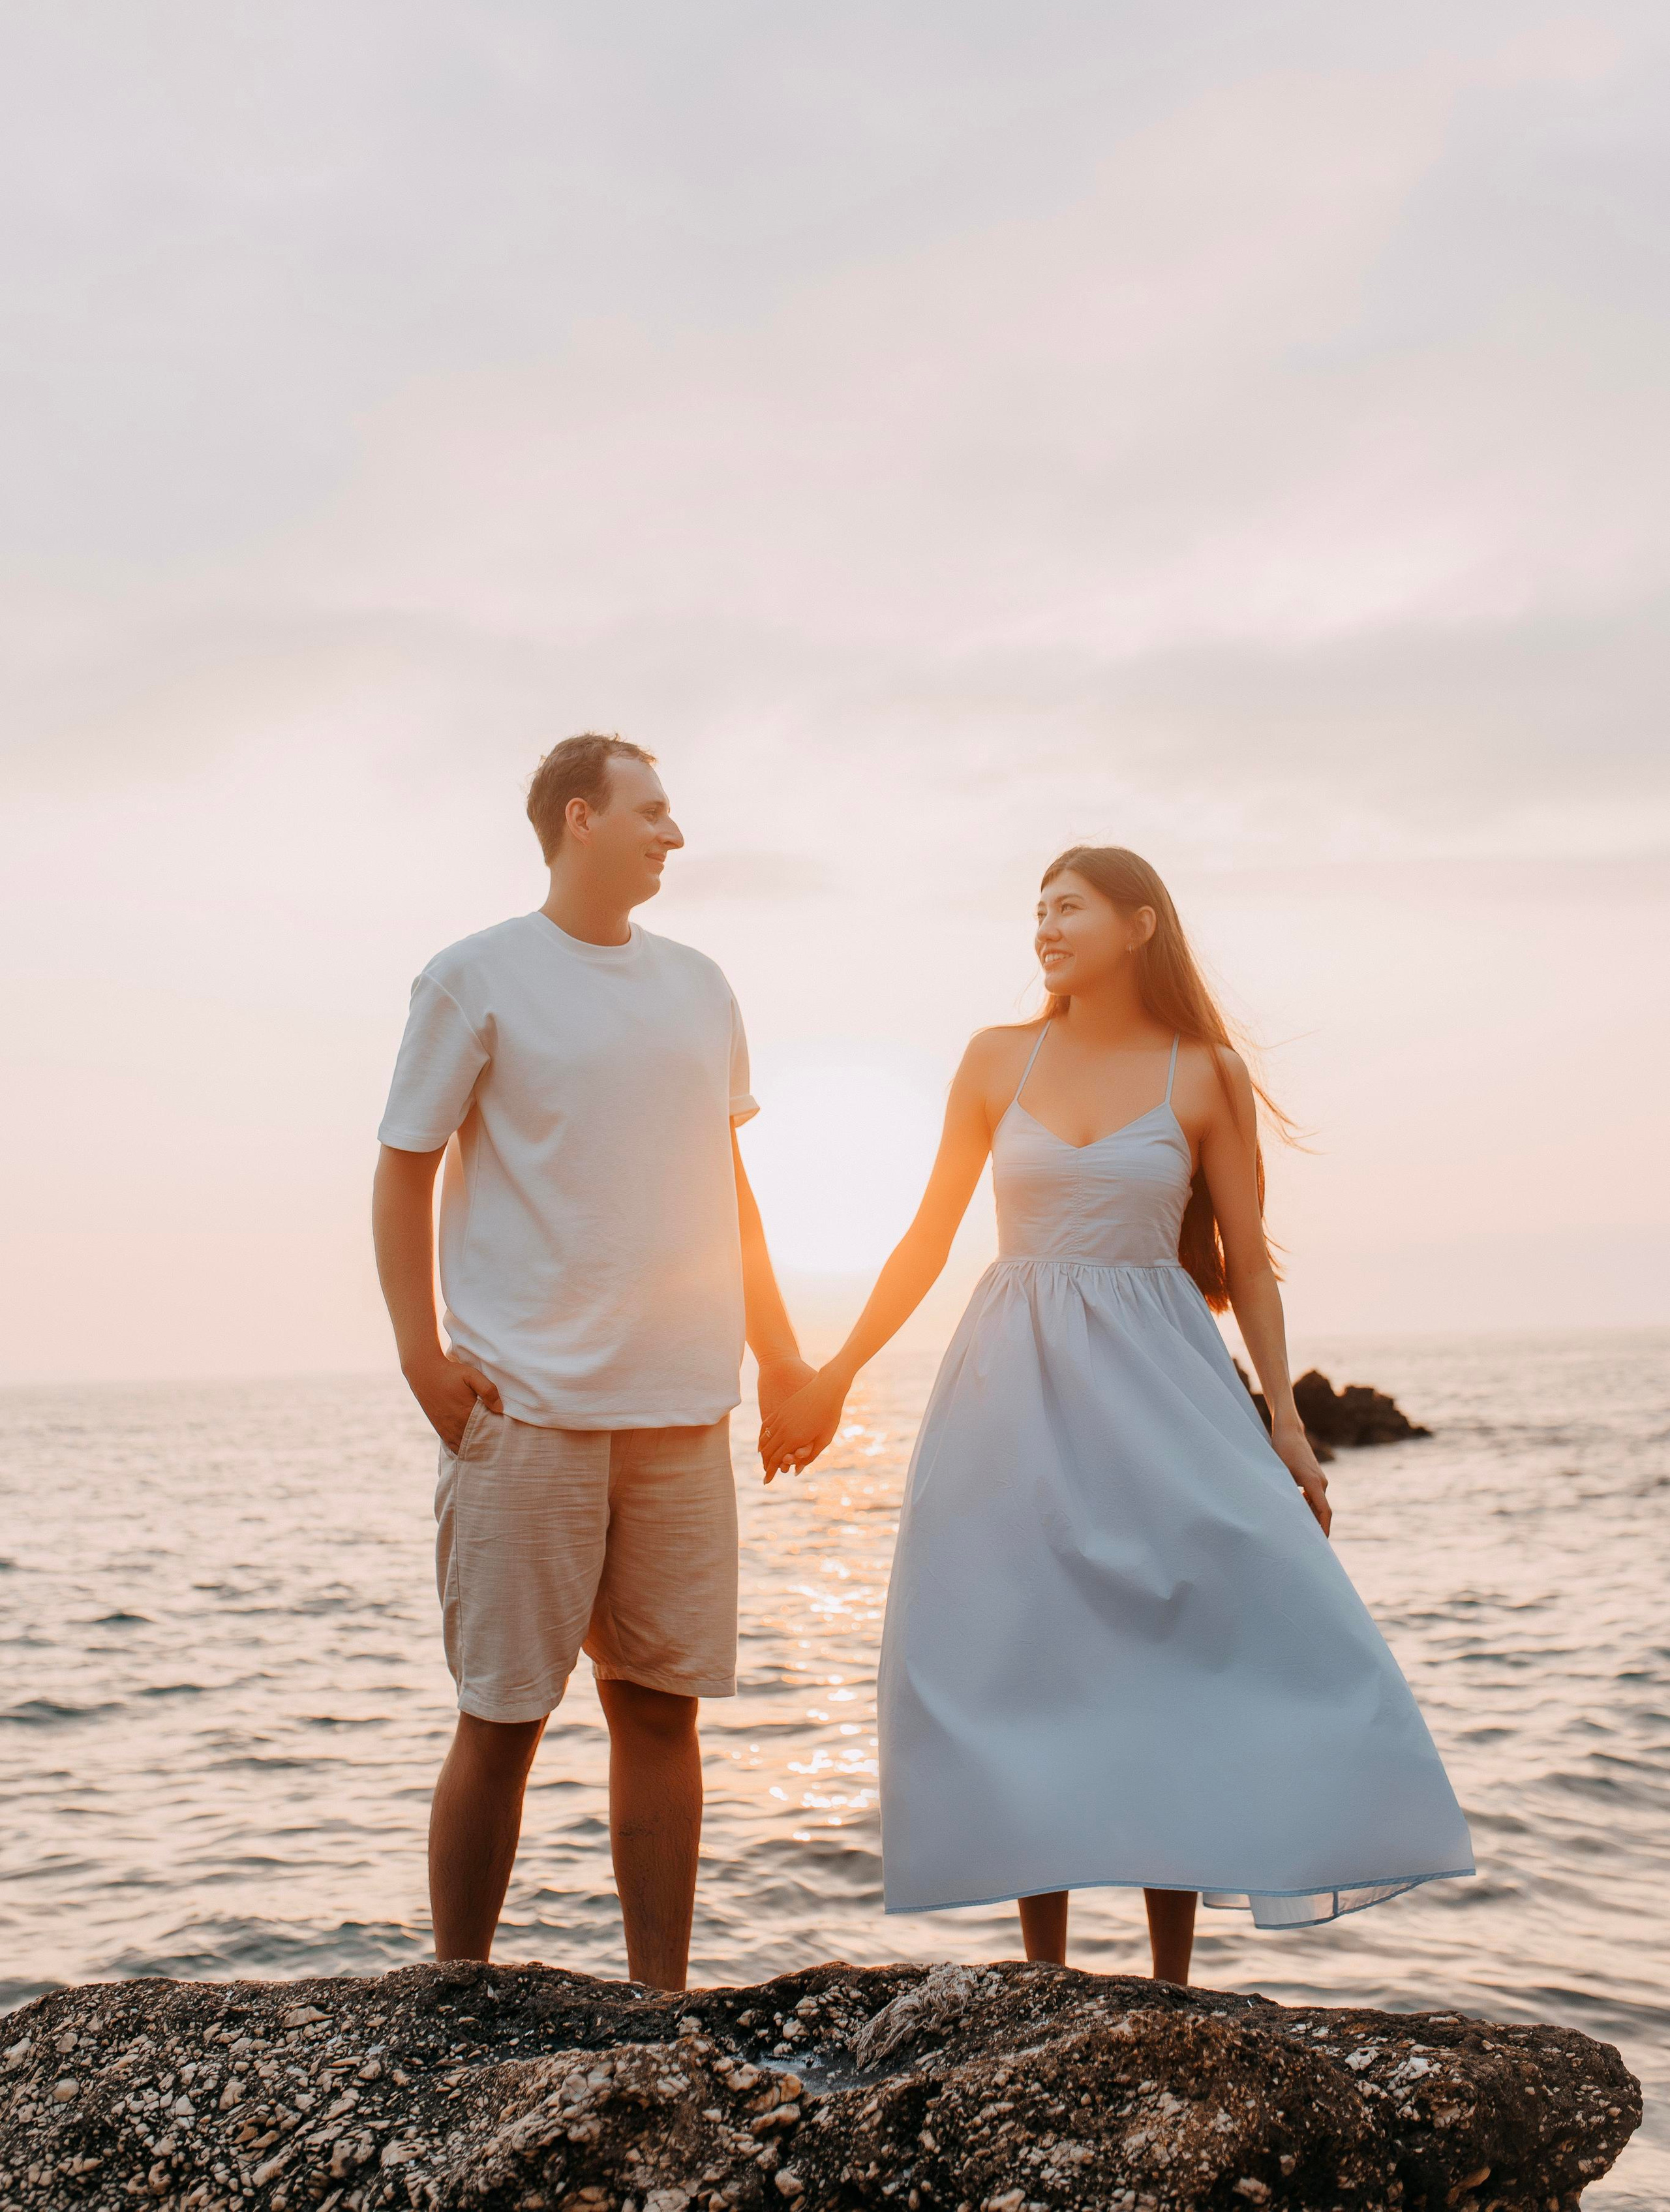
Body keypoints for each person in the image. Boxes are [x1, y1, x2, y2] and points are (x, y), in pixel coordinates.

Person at [761, 844, 1473, 1981]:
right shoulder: (996, 1059)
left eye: (1069, 908)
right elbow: (928, 1237)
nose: (1045, 927)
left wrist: (1285, 1424)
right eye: (1036, 909)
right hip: (1010, 1381)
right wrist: (839, 1370)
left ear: (1140, 924)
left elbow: (1252, 1262)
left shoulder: (1205, 1073)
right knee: (1022, 1646)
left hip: (1161, 1379)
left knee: (1176, 1642)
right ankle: (1040, 1974)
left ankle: (1171, 1980)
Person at [373, 731, 812, 1988]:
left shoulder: (702, 986)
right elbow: (403, 1165)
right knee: (503, 1717)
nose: (675, 835)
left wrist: (781, 1359)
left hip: (683, 1406)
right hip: (527, 1409)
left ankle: (657, 2007)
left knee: (663, 1715)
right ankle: (456, 1995)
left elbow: (731, 1192)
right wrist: (422, 1354)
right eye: (653, 812)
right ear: (580, 818)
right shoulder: (475, 977)